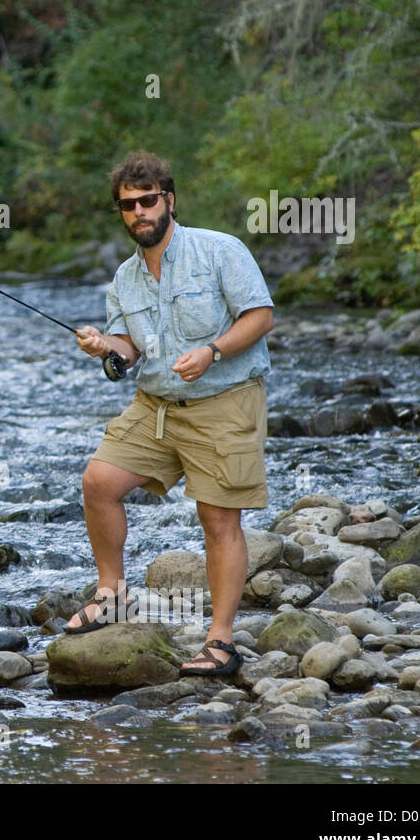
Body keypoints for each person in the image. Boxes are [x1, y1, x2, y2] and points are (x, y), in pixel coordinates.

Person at [70, 150, 275, 676]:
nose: (139, 212)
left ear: (170, 200)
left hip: (225, 401)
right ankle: (112, 593)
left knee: (218, 519)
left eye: (147, 201)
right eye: (127, 205)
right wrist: (105, 348)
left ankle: (221, 642)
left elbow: (261, 316)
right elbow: (128, 352)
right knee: (99, 481)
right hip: (155, 407)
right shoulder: (124, 278)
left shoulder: (219, 250)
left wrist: (213, 352)